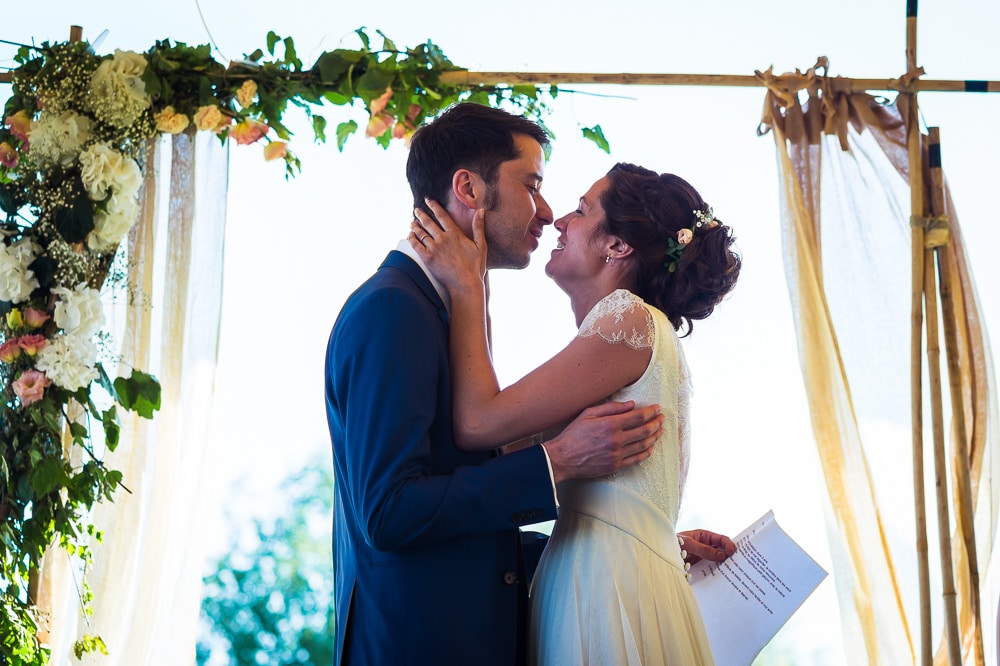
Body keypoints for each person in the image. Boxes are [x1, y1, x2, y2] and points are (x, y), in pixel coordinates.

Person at [324, 104, 667, 666]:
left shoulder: (438, 310)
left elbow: (462, 526)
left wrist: (638, 551)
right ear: (469, 188)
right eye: (532, 184)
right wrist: (554, 461)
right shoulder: (393, 309)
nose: (548, 211)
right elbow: (390, 512)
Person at [409, 162, 742, 665]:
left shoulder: (627, 317)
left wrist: (468, 285)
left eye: (583, 210)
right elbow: (498, 455)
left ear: (617, 246)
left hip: (601, 586)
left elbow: (477, 424)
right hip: (603, 571)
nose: (560, 221)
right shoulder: (630, 339)